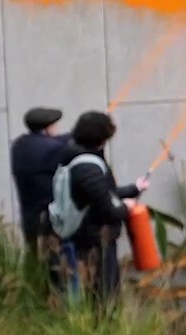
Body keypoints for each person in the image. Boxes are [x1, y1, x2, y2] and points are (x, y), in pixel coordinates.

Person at [47, 110, 150, 310]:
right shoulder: (87, 167)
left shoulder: (78, 157)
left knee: (98, 297)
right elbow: (108, 209)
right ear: (101, 137)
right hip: (95, 242)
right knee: (105, 299)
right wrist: (126, 208)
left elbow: (103, 193)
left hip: (89, 239)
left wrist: (134, 188)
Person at [9, 107, 71, 288]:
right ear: (48, 128)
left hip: (30, 216)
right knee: (55, 268)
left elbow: (58, 140)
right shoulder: (51, 149)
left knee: (34, 261)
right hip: (49, 220)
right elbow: (64, 146)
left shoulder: (20, 145)